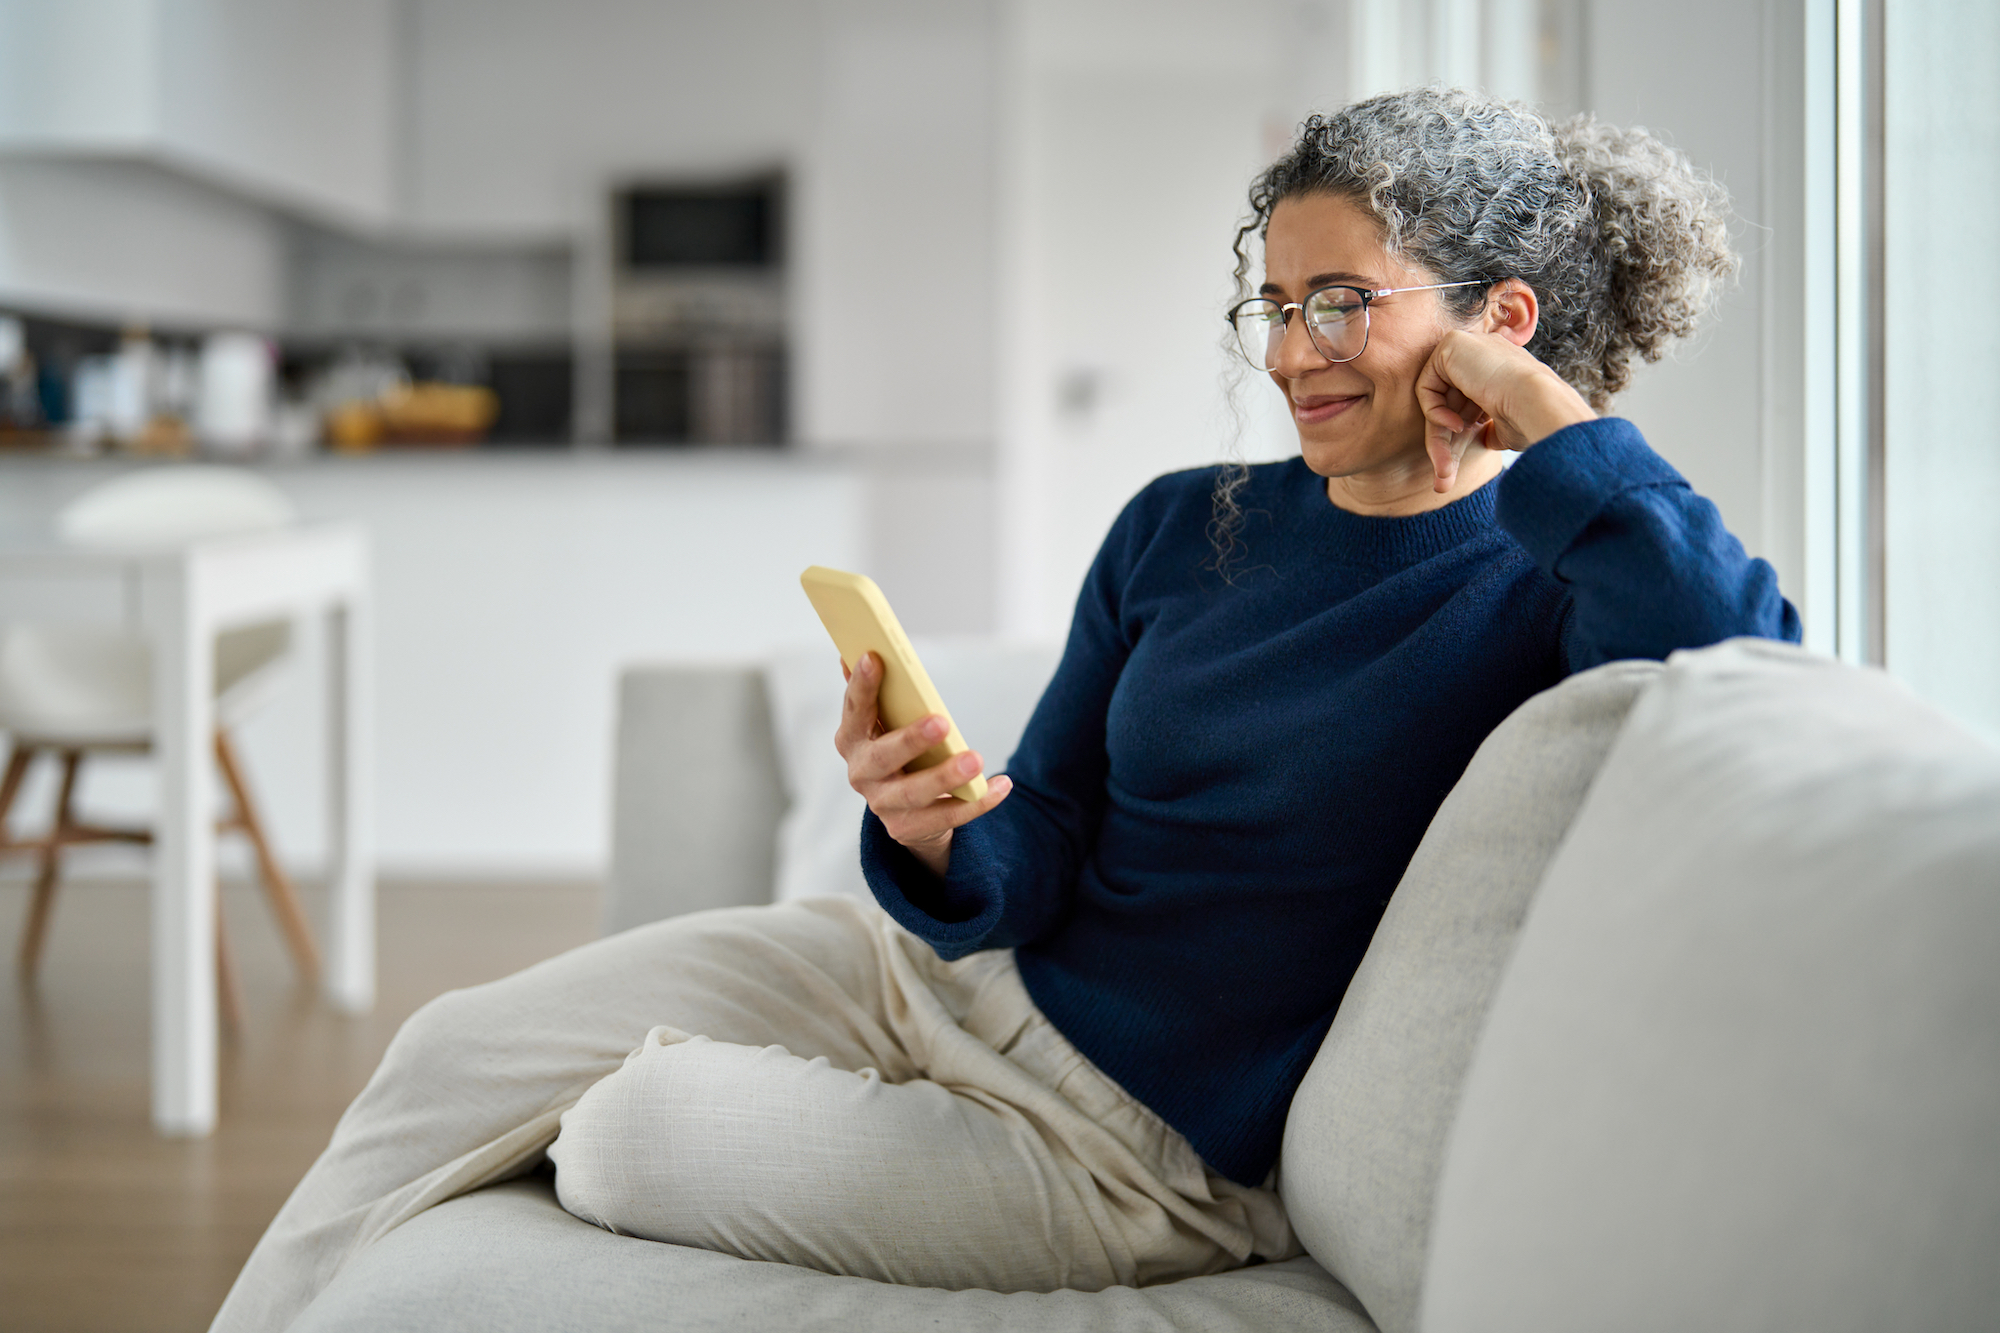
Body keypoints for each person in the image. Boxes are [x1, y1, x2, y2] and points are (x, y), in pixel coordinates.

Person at [210, 88, 1799, 1332]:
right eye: (1274, 307)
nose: (1293, 358)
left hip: (1128, 1152)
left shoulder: (1552, 577)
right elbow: (1032, 845)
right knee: (454, 1043)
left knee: (629, 1142)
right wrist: (934, 825)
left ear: (1497, 320)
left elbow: (1750, 661)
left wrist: (1547, 423)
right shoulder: (1188, 522)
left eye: (1343, 304)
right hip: (928, 985)